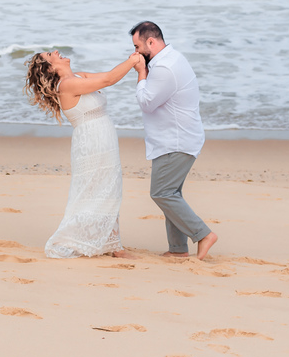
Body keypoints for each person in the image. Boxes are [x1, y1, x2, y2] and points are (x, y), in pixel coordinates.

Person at [24, 48, 142, 259]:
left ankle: (113, 243)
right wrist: (132, 59)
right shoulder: (67, 85)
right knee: (99, 190)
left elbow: (107, 75)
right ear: (51, 67)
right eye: (51, 54)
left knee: (109, 188)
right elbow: (108, 80)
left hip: (103, 138)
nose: (57, 51)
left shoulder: (79, 76)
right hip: (91, 142)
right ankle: (112, 247)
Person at [130, 21, 218, 260]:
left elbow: (147, 102)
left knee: (162, 193)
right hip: (177, 138)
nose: (135, 52)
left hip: (176, 141)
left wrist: (140, 73)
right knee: (171, 193)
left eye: (137, 46)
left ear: (151, 41)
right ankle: (178, 250)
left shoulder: (165, 68)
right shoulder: (169, 60)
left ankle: (203, 234)